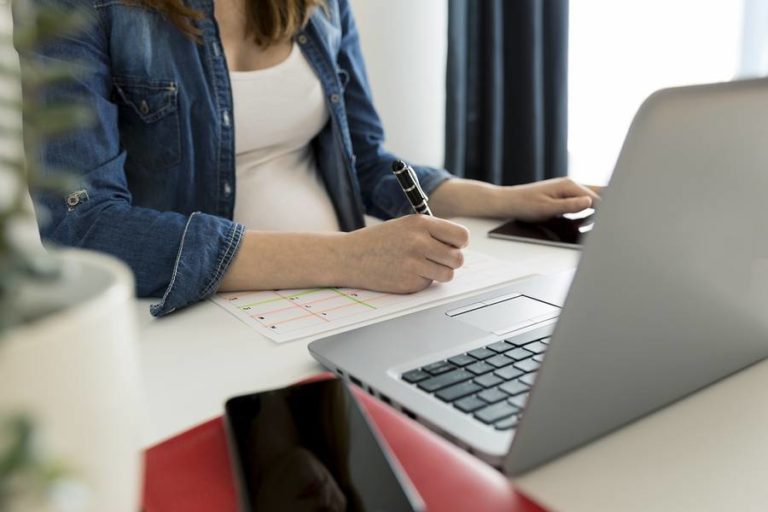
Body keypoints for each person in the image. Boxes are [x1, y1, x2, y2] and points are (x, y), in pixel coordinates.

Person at [19, 0, 599, 316]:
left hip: (344, 302)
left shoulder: (320, 5)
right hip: (212, 316)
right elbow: (84, 225)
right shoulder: (77, 9)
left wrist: (501, 199)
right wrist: (346, 257)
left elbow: (366, 160)